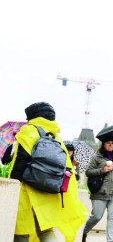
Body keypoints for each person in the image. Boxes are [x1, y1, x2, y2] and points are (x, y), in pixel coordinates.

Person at [8, 101, 88, 241]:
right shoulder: (55, 136)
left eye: (28, 117)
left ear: (34, 116)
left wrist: (12, 187)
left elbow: (20, 162)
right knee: (45, 230)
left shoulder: (29, 130)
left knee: (21, 230)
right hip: (50, 188)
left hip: (27, 189)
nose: (27, 120)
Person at [82, 136, 113, 242]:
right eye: (108, 143)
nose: (111, 145)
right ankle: (84, 231)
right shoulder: (97, 157)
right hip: (100, 191)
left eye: (112, 143)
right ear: (103, 144)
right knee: (96, 216)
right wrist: (102, 170)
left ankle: (110, 241)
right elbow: (88, 172)